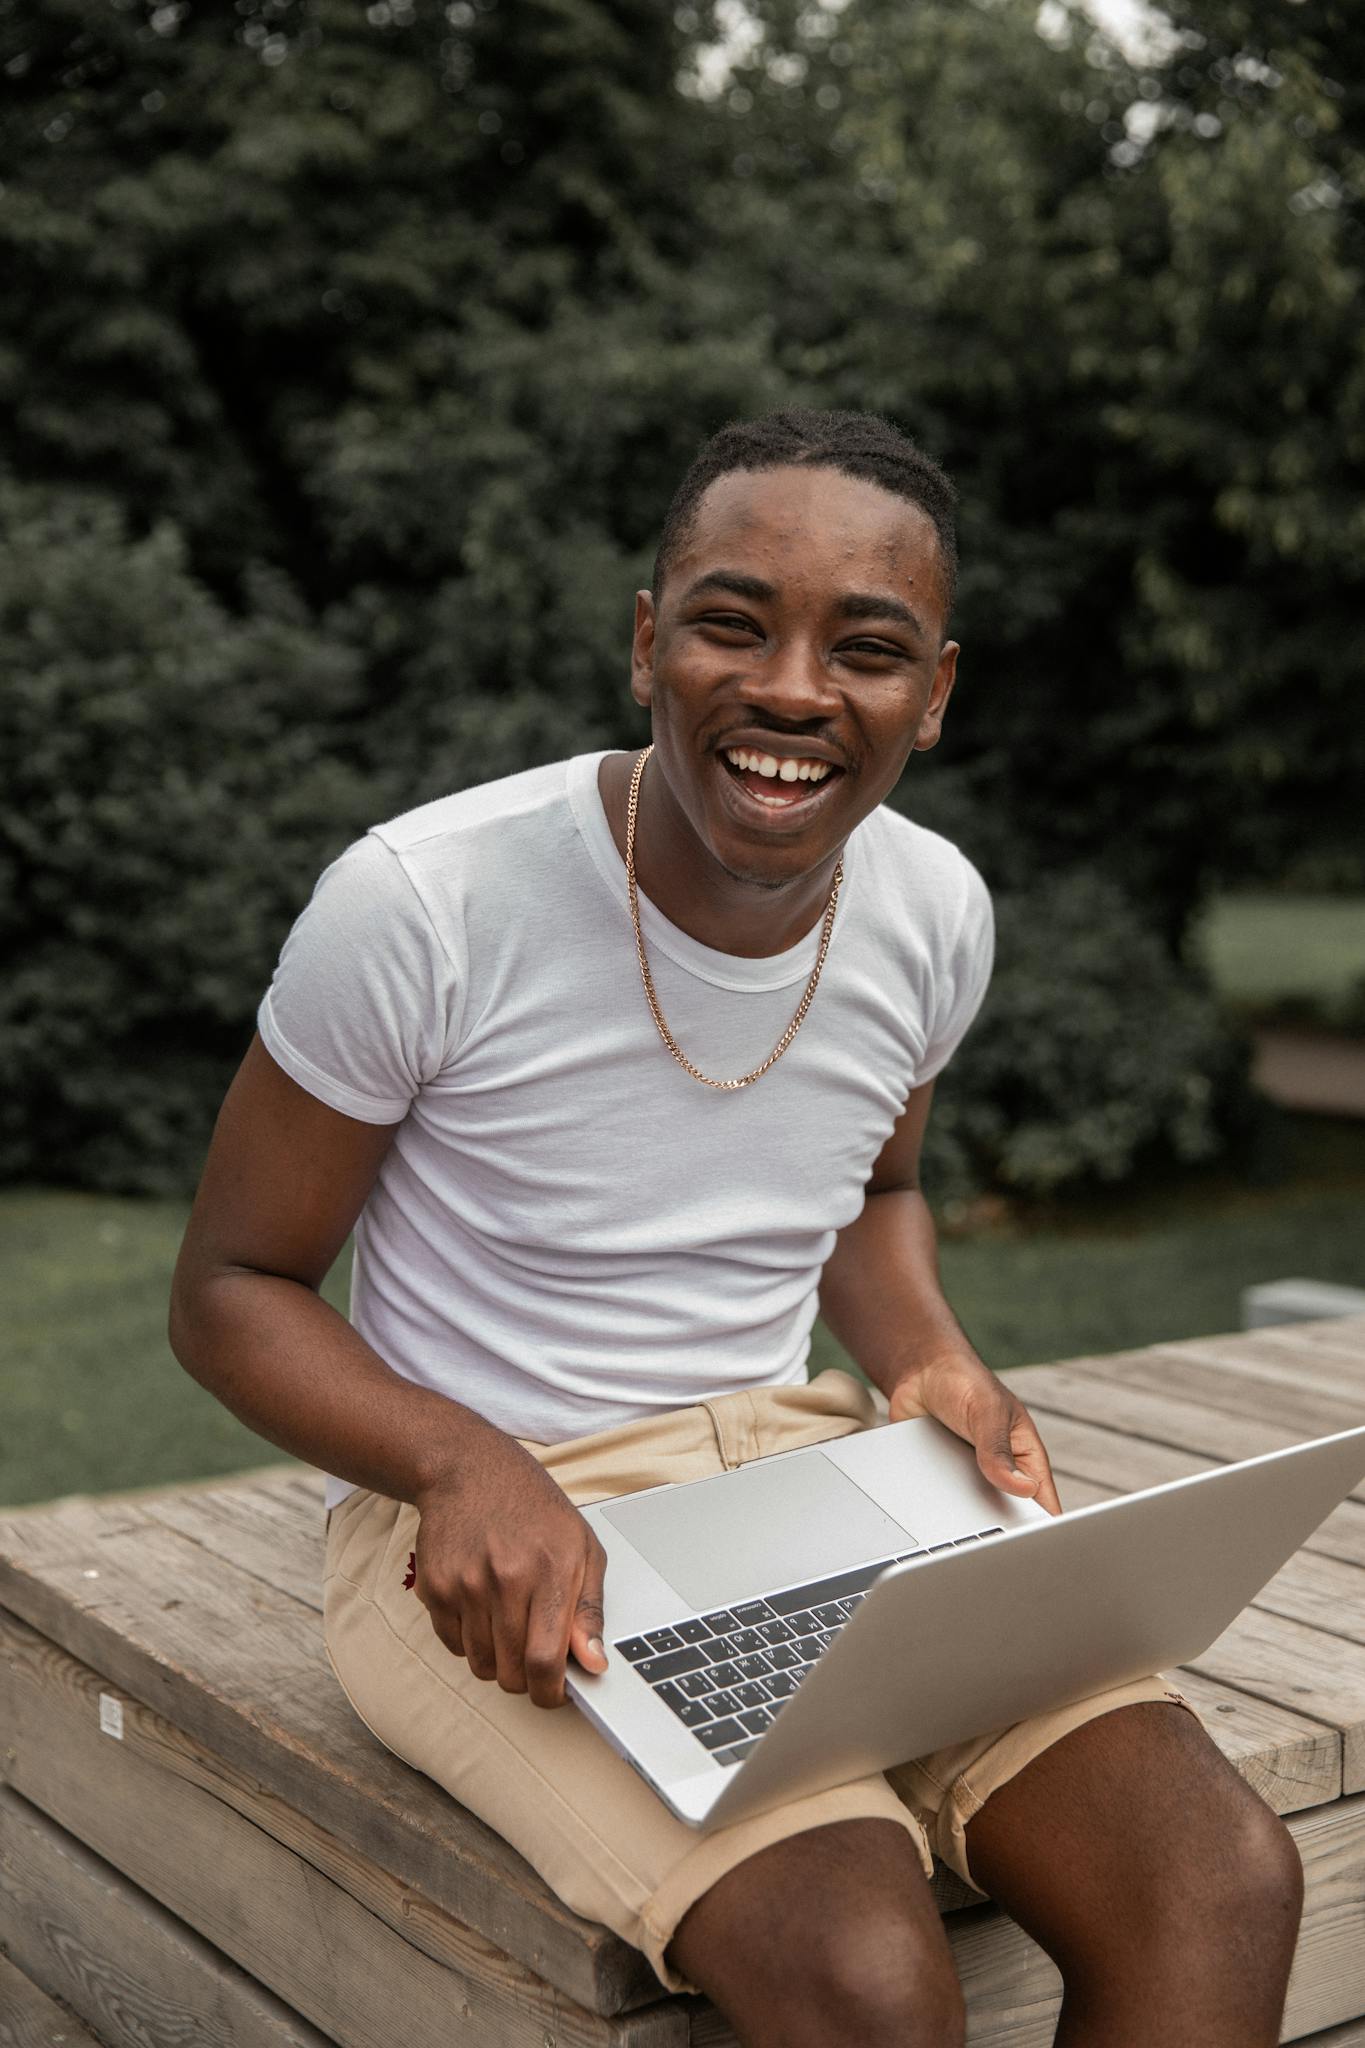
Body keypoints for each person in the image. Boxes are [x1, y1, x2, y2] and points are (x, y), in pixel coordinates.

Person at [169, 409, 1303, 2048]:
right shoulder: (425, 901)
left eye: (865, 648)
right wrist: (455, 1461)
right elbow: (229, 1286)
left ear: (935, 692)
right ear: (647, 644)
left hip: (818, 1482)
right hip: (495, 1527)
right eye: (728, 622)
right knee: (861, 1969)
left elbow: (876, 1188)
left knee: (1217, 1876)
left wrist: (929, 1361)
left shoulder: (931, 910)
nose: (788, 689)